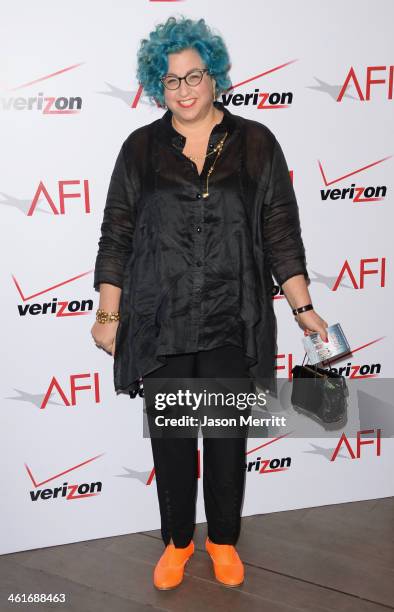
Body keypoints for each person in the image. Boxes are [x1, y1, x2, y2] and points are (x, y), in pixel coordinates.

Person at [91, 16, 328, 590]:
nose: (185, 90)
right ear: (158, 86)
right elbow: (117, 233)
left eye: (194, 76)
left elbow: (279, 231)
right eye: (171, 81)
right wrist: (108, 311)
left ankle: (221, 539)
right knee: (172, 440)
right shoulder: (140, 149)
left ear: (214, 75)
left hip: (231, 314)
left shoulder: (256, 144)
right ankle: (176, 542)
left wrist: (302, 308)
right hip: (160, 317)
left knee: (224, 438)